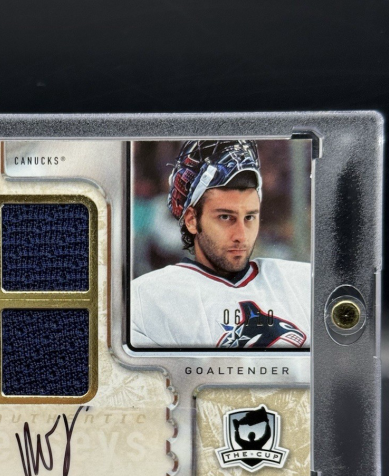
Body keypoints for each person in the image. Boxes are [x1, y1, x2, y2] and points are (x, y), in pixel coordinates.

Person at [131, 140, 311, 348]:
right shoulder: (146, 298)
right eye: (225, 217)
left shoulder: (303, 282)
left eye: (249, 217)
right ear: (191, 220)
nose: (241, 235)